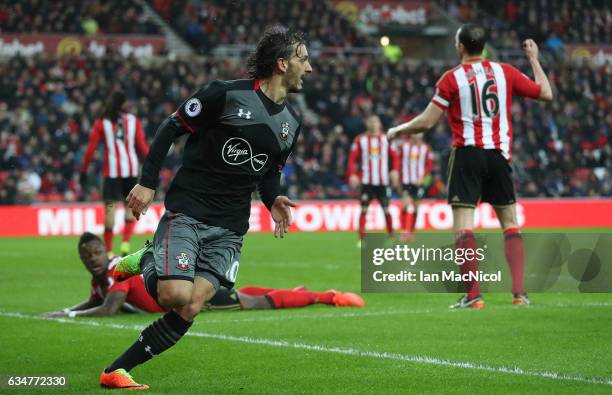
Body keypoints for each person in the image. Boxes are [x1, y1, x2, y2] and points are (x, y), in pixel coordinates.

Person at [100, 26, 313, 390]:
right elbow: (170, 129)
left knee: (193, 304)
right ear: (281, 64)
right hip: (189, 211)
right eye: (303, 59)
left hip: (230, 227)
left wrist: (272, 198)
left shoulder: (291, 124)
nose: (309, 68)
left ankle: (115, 371)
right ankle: (149, 258)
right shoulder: (224, 95)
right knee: (174, 295)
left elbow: (269, 171)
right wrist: (147, 182)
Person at [387, 24, 553, 309]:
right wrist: (534, 59)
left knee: (464, 228)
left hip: (467, 156)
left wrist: (398, 130)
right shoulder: (506, 72)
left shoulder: (452, 78)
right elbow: (546, 93)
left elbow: (427, 122)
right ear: (484, 46)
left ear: (460, 47)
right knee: (510, 224)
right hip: (499, 156)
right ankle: (519, 294)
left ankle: (474, 295)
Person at [41, 233, 364, 319]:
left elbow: (108, 308)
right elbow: (94, 300)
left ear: (103, 251)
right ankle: (297, 291)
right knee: (247, 294)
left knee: (255, 303)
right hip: (185, 287)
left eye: (95, 253)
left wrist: (68, 315)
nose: (92, 259)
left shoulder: (118, 271)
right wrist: (69, 310)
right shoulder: (100, 280)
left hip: (194, 295)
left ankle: (326, 296)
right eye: (86, 257)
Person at [80, 91, 149, 257]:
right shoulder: (133, 121)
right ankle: (125, 243)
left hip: (111, 172)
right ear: (124, 104)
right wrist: (150, 167)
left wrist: (84, 169)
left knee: (110, 210)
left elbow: (91, 148)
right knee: (129, 207)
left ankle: (109, 251)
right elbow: (142, 146)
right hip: (131, 171)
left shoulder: (101, 122)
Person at [347, 114, 399, 247]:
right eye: (371, 121)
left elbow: (395, 156)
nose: (373, 123)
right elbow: (352, 158)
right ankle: (361, 239)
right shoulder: (360, 140)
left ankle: (391, 236)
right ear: (367, 124)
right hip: (366, 181)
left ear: (380, 124)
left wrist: (395, 170)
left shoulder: (386, 139)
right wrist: (352, 174)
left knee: (386, 209)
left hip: (383, 181)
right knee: (364, 209)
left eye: (375, 121)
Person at [393, 133, 433, 241]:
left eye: (420, 133)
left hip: (418, 183)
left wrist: (422, 177)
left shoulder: (426, 148)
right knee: (405, 204)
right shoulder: (403, 147)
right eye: (416, 132)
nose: (417, 135)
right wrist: (396, 173)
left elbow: (429, 165)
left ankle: (411, 232)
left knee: (416, 207)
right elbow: (397, 161)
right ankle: (403, 231)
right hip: (406, 181)